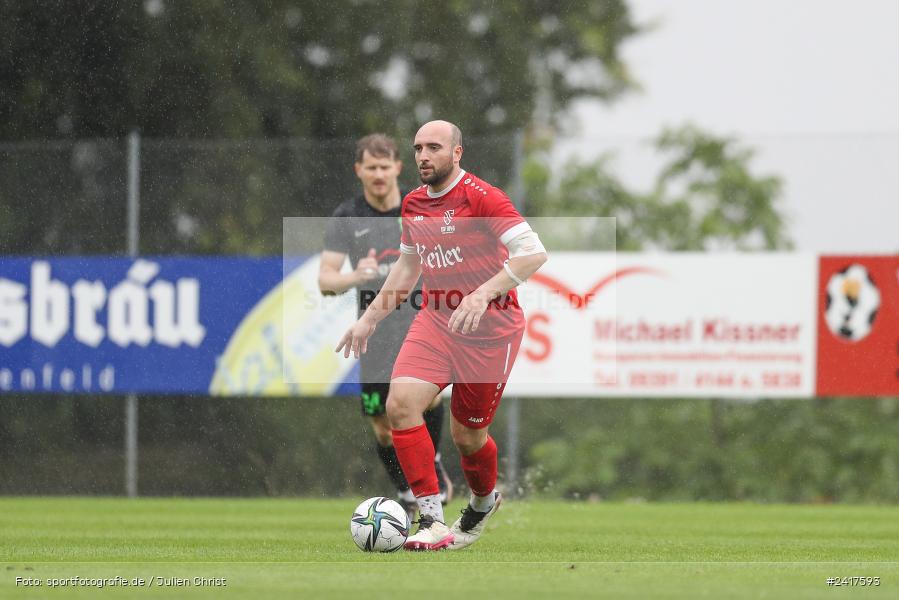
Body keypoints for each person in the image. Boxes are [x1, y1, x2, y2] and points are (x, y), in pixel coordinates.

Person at [336, 121, 548, 551]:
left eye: (434, 147)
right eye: (417, 148)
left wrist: (483, 293)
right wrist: (370, 319)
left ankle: (484, 501)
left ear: (456, 153)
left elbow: (533, 252)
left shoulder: (482, 197)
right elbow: (407, 269)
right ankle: (431, 519)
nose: (423, 155)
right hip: (435, 322)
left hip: (490, 332)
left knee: (467, 437)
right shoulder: (413, 204)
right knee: (399, 405)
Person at [319, 133, 452, 519]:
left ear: (397, 167)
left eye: (385, 166)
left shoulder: (419, 206)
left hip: (422, 319)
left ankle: (435, 466)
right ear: (359, 170)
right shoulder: (347, 217)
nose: (378, 174)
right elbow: (325, 282)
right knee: (382, 424)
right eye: (370, 167)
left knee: (428, 397)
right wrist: (355, 275)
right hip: (374, 331)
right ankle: (406, 491)